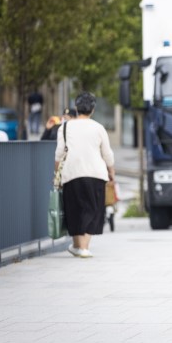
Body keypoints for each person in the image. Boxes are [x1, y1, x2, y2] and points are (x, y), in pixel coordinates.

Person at [54, 93, 115, 258]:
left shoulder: (65, 127)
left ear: (76, 107)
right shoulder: (98, 128)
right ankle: (82, 247)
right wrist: (111, 171)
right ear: (93, 110)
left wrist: (56, 175)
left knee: (74, 210)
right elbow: (107, 154)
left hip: (72, 173)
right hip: (95, 173)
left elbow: (59, 155)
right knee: (92, 210)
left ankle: (78, 246)